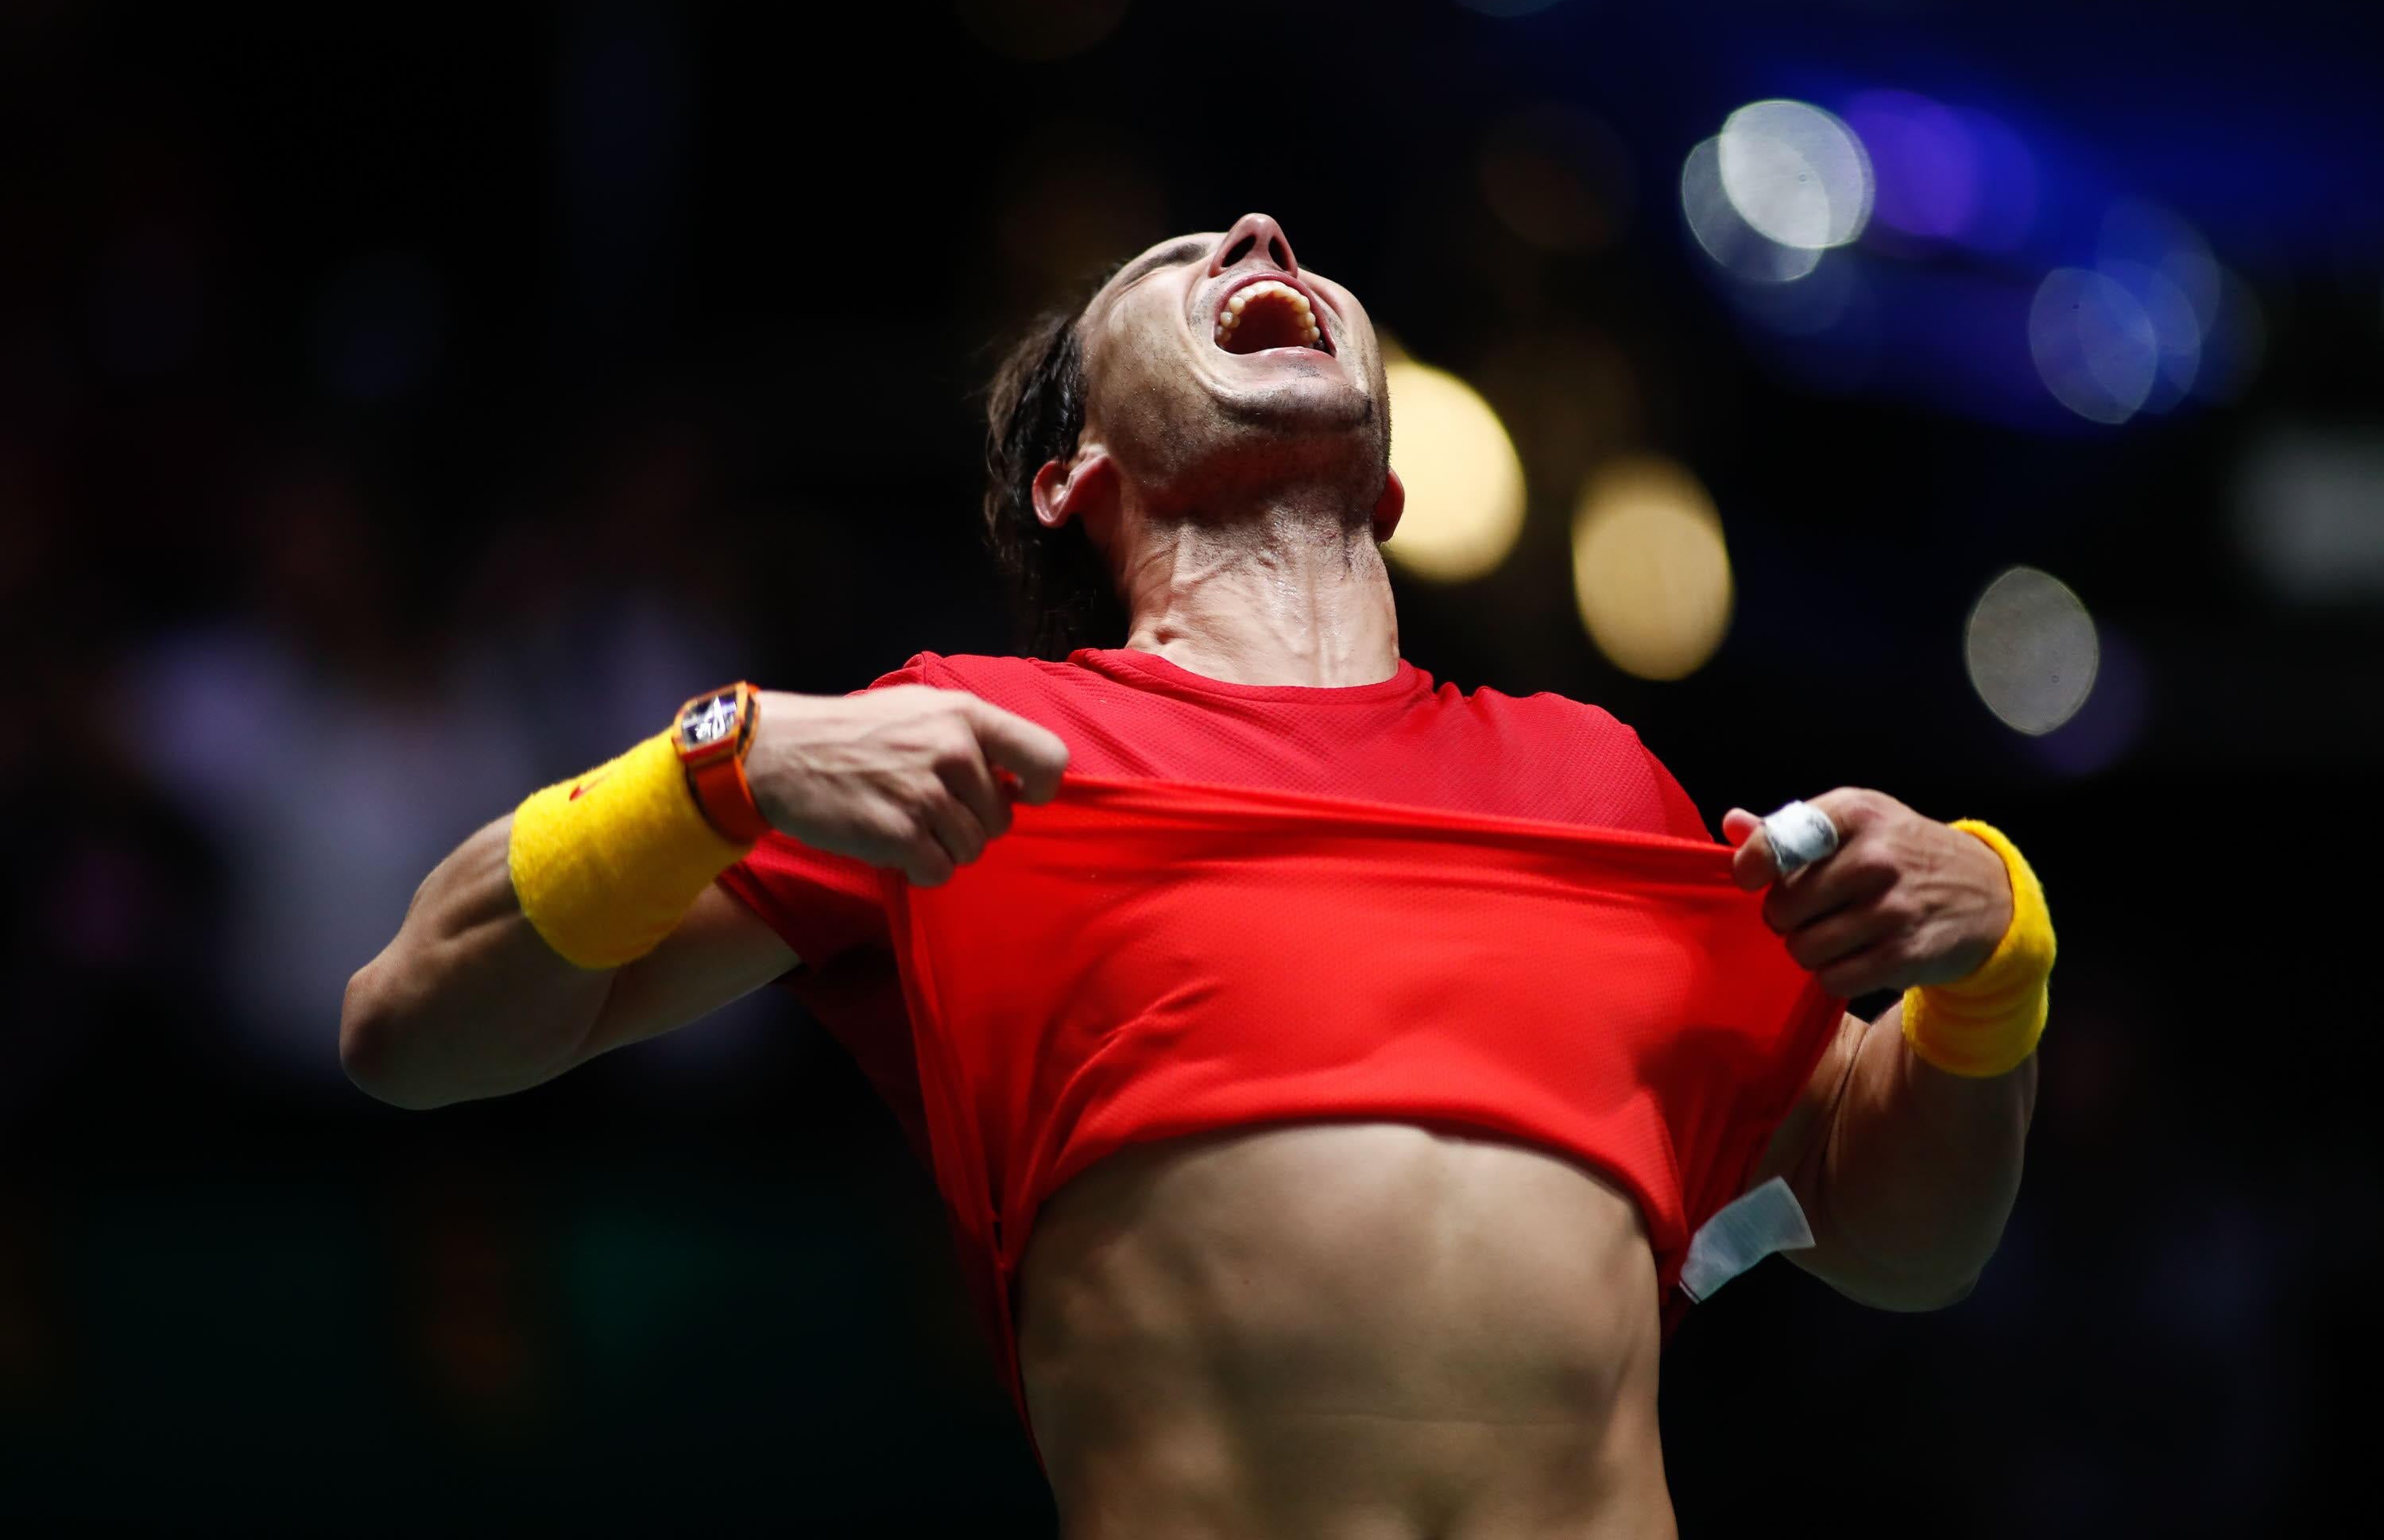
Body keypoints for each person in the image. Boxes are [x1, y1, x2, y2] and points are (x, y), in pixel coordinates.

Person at [343, 213, 2049, 1538]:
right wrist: (714, 767)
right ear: (1073, 473)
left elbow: (1898, 1234)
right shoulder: (971, 753)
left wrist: (1994, 964)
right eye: (1179, 263)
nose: (1259, 238)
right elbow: (410, 1025)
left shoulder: (1601, 782)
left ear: (1389, 478)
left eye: (1294, 255)